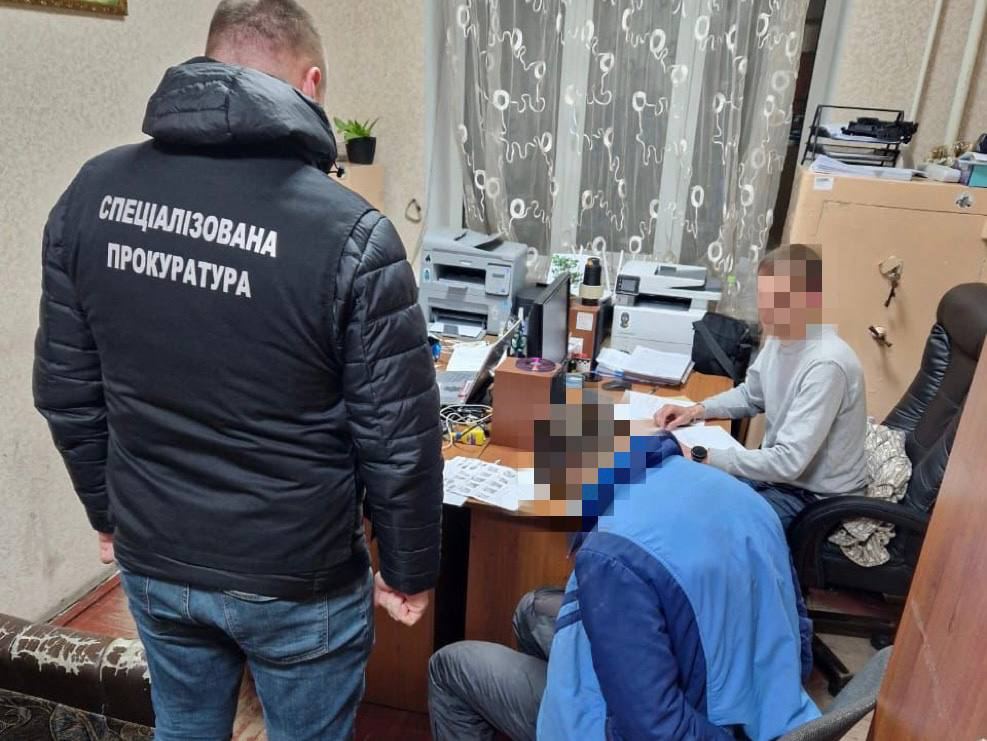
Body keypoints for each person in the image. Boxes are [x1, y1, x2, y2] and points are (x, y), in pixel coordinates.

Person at [32, 1, 443, 738]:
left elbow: (67, 391)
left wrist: (107, 513)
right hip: (298, 575)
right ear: (310, 83)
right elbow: (398, 438)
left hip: (156, 552)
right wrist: (409, 568)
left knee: (183, 728)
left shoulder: (91, 194)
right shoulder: (350, 232)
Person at [428, 397, 820, 740]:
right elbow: (799, 633)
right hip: (752, 707)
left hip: (684, 724)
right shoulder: (747, 500)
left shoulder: (611, 555)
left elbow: (656, 728)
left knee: (450, 666)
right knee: (531, 609)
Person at [656, 244, 868, 528]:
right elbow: (750, 395)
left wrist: (703, 455)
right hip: (781, 479)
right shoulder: (782, 337)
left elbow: (789, 462)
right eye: (764, 297)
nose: (766, 311)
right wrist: (696, 410)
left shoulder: (826, 364)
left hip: (814, 498)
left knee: (711, 524)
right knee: (684, 488)